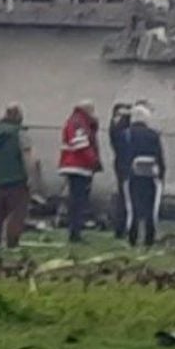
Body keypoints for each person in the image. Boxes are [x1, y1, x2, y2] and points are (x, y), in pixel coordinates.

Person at [0, 103, 33, 249]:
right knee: (17, 212)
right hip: (17, 177)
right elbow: (27, 156)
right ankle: (12, 243)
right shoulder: (19, 133)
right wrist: (30, 176)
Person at [121, 104, 165, 248]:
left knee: (132, 207)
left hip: (132, 175)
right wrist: (161, 174)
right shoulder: (154, 135)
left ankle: (132, 237)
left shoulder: (127, 134)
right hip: (151, 176)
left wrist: (124, 173)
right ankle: (149, 238)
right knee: (151, 208)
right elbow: (159, 156)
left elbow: (123, 154)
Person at [58, 100, 102, 243]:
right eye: (92, 110)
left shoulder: (80, 121)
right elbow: (81, 145)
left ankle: (76, 230)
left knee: (78, 201)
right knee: (77, 201)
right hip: (77, 166)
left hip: (79, 166)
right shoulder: (78, 122)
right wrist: (94, 161)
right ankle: (75, 233)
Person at [108, 102, 132, 239]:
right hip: (124, 164)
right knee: (125, 196)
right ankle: (121, 227)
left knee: (125, 196)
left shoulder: (118, 126)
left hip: (122, 163)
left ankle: (122, 226)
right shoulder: (118, 128)